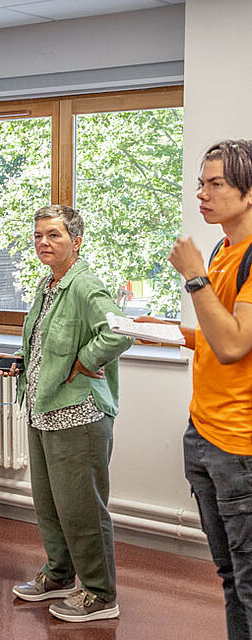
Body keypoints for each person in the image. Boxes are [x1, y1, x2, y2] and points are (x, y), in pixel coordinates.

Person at [7, 205, 131, 623]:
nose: (43, 242)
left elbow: (118, 331)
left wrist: (85, 359)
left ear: (76, 242)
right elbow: (46, 341)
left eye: (53, 235)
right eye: (38, 235)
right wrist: (25, 361)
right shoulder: (49, 284)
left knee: (82, 509)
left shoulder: (85, 284)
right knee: (49, 503)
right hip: (43, 409)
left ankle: (100, 594)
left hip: (79, 414)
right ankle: (59, 574)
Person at [150, 139, 252, 639]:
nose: (202, 195)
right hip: (205, 432)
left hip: (240, 445)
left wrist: (193, 277)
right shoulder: (223, 250)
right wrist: (172, 333)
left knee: (249, 582)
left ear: (249, 192)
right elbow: (218, 333)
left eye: (216, 184)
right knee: (230, 575)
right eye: (201, 183)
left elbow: (233, 345)